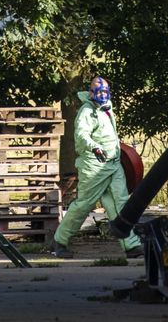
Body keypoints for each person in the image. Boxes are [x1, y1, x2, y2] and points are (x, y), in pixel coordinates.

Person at [50, 76, 143, 258]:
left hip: (114, 164)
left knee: (120, 203)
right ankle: (59, 241)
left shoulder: (107, 108)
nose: (102, 95)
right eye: (99, 92)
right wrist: (95, 147)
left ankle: (131, 245)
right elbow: (82, 136)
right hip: (94, 166)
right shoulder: (86, 111)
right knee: (83, 204)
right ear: (91, 93)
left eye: (105, 92)